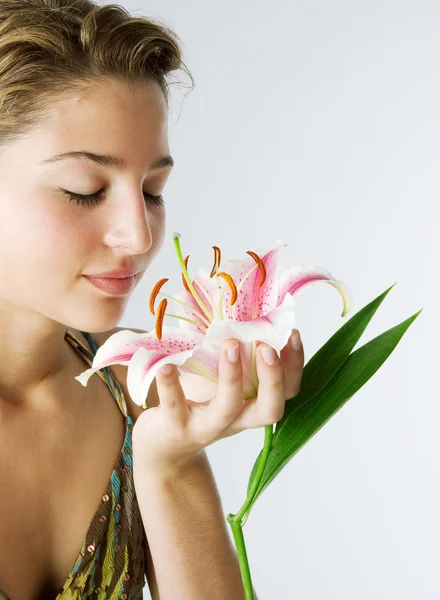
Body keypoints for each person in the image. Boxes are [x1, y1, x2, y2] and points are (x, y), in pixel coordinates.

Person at [0, 1, 304, 598]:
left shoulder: (138, 386)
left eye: (153, 190)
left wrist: (169, 460)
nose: (139, 237)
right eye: (84, 190)